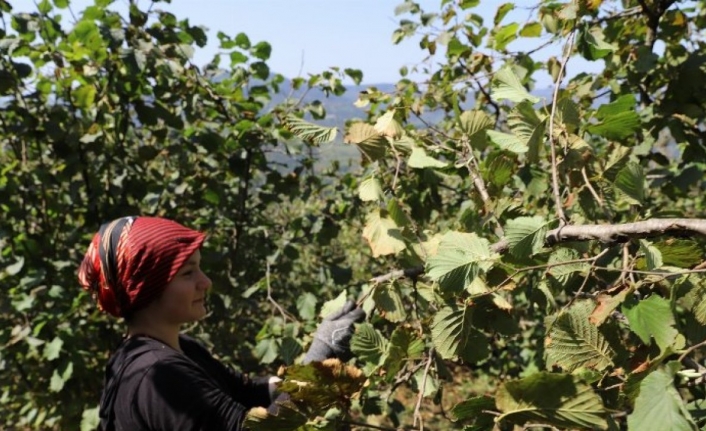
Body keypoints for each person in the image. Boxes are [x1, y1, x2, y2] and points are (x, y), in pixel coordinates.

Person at [78, 216, 365, 431]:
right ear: (149, 287)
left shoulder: (180, 350)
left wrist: (320, 367)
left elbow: (249, 393)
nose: (206, 282)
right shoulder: (158, 375)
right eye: (188, 273)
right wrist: (322, 352)